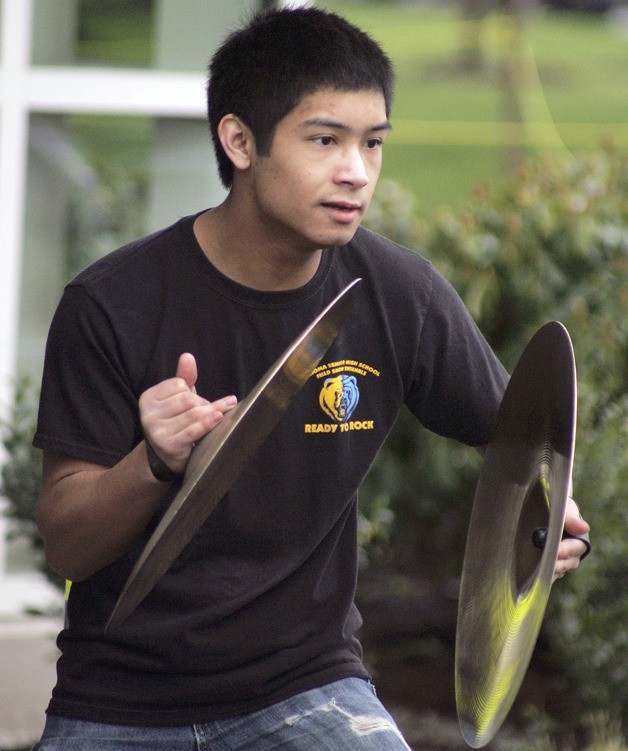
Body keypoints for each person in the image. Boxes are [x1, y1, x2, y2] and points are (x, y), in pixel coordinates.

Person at [32, 7, 590, 750]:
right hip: (122, 700)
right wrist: (156, 459)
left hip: (307, 686)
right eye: (325, 139)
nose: (356, 171)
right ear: (240, 142)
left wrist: (550, 516)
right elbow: (68, 548)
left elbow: (526, 436)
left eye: (373, 144)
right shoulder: (113, 304)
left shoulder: (398, 295)